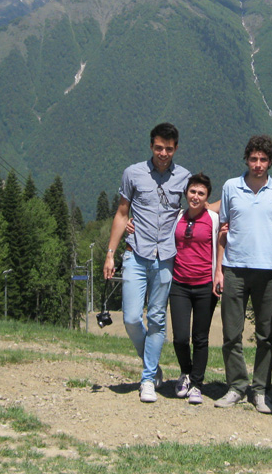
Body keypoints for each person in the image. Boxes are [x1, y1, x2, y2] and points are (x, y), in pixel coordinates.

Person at [103, 123, 190, 403]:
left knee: (156, 319)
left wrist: (228, 207)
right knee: (130, 318)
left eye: (169, 149)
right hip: (136, 254)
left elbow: (197, 207)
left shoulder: (184, 177)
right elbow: (122, 213)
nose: (163, 153)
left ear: (176, 148)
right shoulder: (133, 173)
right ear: (151, 146)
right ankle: (151, 365)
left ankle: (148, 378)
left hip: (166, 257)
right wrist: (110, 253)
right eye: (159, 148)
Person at [213, 135, 272, 413]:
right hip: (234, 268)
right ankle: (236, 386)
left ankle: (260, 390)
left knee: (266, 334)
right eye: (254, 159)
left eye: (263, 159)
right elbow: (223, 229)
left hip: (269, 271)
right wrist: (218, 270)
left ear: (270, 162)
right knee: (231, 333)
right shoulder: (230, 187)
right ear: (246, 159)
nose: (258, 164)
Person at [169, 173, 220, 405]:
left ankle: (197, 384)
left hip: (204, 286)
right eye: (192, 191)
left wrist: (219, 274)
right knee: (180, 338)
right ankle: (186, 372)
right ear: (186, 193)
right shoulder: (177, 217)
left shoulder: (213, 219)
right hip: (179, 283)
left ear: (207, 197)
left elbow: (222, 244)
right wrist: (132, 225)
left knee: (200, 338)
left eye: (201, 193)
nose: (196, 197)